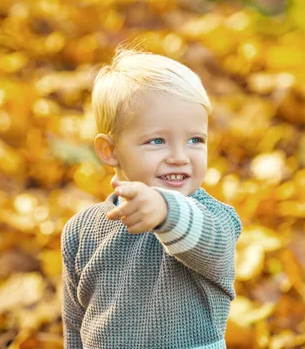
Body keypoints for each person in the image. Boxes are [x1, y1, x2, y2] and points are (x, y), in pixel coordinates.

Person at [61, 47, 242, 349]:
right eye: (157, 141)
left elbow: (212, 244)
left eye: (195, 140)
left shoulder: (216, 219)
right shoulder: (81, 232)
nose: (179, 157)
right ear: (110, 150)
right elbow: (75, 325)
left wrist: (165, 211)